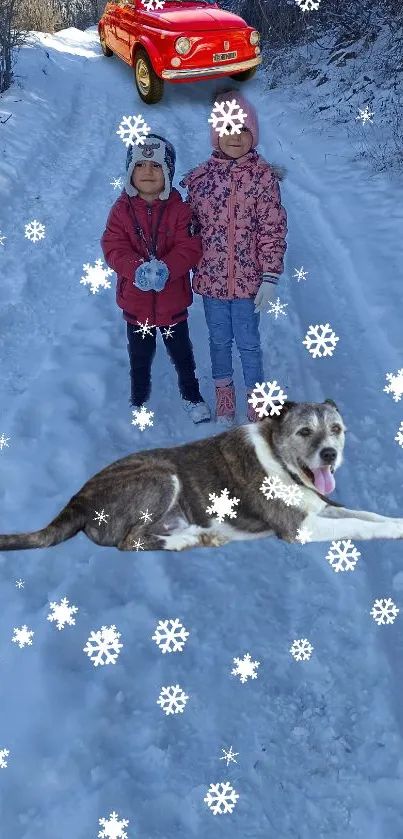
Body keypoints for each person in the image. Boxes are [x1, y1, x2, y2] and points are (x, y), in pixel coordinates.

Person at [180, 90, 287, 426]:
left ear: (253, 134)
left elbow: (272, 227)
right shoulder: (200, 181)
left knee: (249, 341)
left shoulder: (263, 178)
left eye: (242, 131)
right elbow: (187, 226)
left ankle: (257, 399)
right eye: (227, 131)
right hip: (212, 279)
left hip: (248, 280)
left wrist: (269, 276)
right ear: (216, 136)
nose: (235, 138)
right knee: (218, 340)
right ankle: (224, 396)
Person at [101, 133, 211, 423]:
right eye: (140, 165)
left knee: (182, 354)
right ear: (129, 172)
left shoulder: (180, 209)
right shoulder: (121, 210)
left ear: (168, 172)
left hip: (172, 303)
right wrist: (135, 268)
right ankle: (138, 396)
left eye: (156, 165)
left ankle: (192, 395)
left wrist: (167, 268)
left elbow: (191, 247)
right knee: (139, 355)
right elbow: (113, 246)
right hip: (136, 304)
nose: (148, 172)